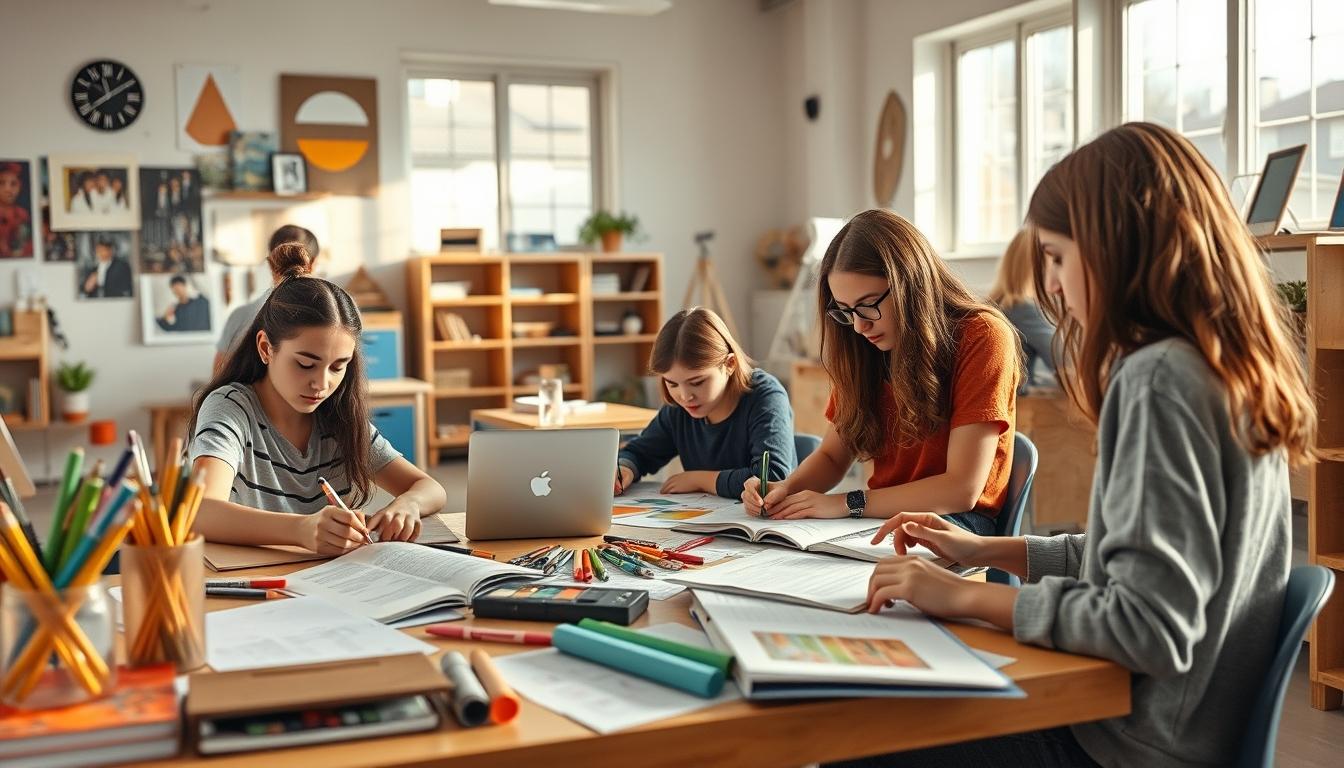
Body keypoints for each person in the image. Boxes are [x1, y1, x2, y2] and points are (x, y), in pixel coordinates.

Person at [842, 123, 1317, 767]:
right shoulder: (1222, 367)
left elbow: (1145, 626)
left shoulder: (1158, 381)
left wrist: (961, 593)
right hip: (1172, 729)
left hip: (1129, 743)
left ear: (1117, 248)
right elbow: (1142, 561)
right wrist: (989, 550)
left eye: (1059, 257)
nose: (1054, 286)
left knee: (859, 726)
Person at [742, 209, 1020, 535]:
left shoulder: (982, 335)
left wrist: (849, 502)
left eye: (868, 304)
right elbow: (833, 456)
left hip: (957, 522)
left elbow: (961, 489)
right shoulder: (863, 345)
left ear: (910, 285)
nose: (860, 326)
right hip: (880, 517)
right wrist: (784, 490)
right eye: (845, 311)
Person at [189, 243, 447, 552]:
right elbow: (200, 511)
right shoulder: (230, 407)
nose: (321, 384)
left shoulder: (338, 416)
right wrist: (301, 529)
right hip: (257, 582)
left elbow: (430, 488)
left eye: (338, 366)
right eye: (305, 364)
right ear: (265, 349)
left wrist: (408, 505)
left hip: (336, 581)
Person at [615, 307, 795, 498]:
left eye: (697, 382)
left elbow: (771, 478)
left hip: (763, 523)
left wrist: (700, 480)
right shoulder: (679, 409)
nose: (685, 396)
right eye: (672, 383)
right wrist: (624, 469)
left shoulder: (766, 396)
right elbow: (640, 452)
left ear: (729, 364)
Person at [213, 224, 320, 373]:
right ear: (313, 263)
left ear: (270, 263)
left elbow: (218, 377)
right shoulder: (329, 316)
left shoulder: (239, 317)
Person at [988, 229, 1056, 390]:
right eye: (1057, 261)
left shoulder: (996, 304)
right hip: (1019, 408)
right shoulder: (1023, 308)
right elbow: (1065, 363)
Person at [0, 162, 33, 259]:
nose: (8, 189)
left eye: (13, 184)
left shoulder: (22, 214)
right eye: (1, 183)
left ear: (20, 186)